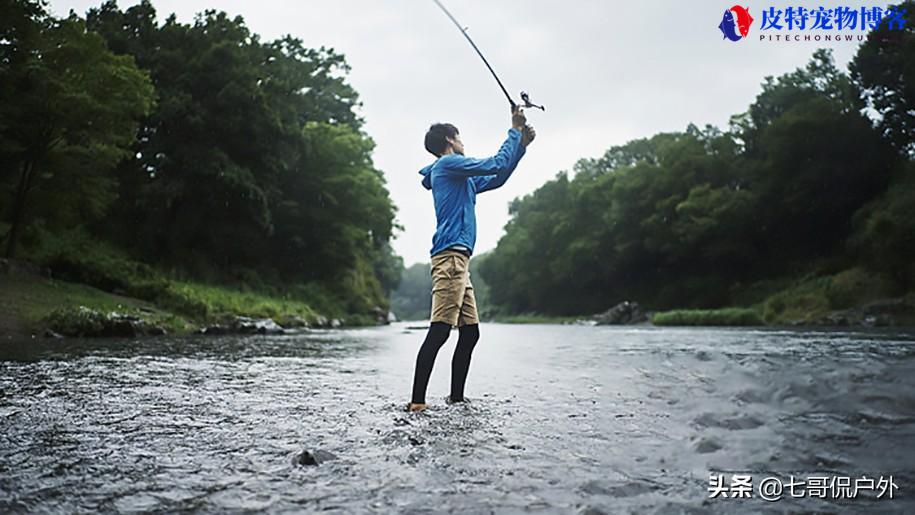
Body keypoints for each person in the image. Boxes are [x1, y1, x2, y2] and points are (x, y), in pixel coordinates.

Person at [407, 105, 536, 413]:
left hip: (459, 262)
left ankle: (456, 399)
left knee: (471, 332)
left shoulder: (459, 177)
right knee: (439, 331)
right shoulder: (450, 164)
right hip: (450, 259)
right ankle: (417, 403)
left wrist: (521, 148)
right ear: (450, 140)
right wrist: (514, 130)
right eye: (460, 137)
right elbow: (493, 161)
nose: (463, 142)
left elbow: (498, 174)